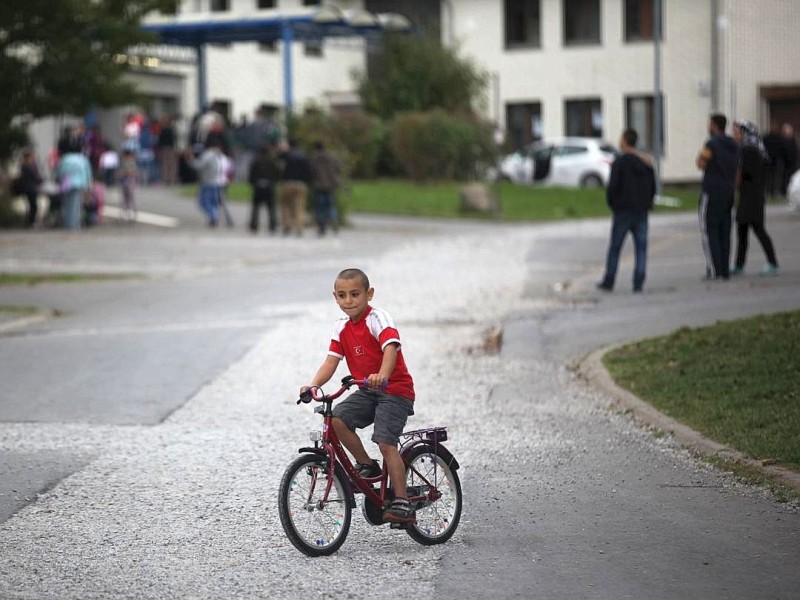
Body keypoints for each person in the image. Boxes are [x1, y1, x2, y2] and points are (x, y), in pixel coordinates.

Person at [301, 268, 417, 524]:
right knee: (338, 418)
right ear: (335, 297)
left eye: (355, 294)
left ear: (369, 294)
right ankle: (367, 465)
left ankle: (401, 501)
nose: (348, 301)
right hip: (368, 390)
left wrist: (383, 375)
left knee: (386, 442)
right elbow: (331, 361)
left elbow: (391, 349)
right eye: (342, 295)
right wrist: (313, 385)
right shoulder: (340, 327)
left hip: (395, 390)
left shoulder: (378, 318)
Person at [597, 129, 656, 293]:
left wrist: (613, 204)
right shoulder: (645, 163)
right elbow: (652, 186)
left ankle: (609, 280)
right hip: (641, 210)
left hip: (623, 211)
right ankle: (638, 281)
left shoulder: (620, 162)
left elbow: (613, 187)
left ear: (624, 140)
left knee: (615, 247)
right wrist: (648, 203)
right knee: (641, 247)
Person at [731, 120, 779, 277]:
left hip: (752, 198)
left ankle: (773, 263)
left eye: (737, 132)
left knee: (758, 230)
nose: (734, 135)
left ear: (745, 133)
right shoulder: (753, 149)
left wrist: (734, 180)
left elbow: (742, 174)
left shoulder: (749, 150)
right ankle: (739, 264)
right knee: (742, 231)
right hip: (750, 195)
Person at [696, 113, 739, 280]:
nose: (708, 127)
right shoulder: (733, 144)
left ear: (714, 125)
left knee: (709, 230)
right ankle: (725, 268)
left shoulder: (711, 143)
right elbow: (737, 170)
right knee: (725, 231)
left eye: (709, 124)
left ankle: (715, 269)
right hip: (728, 192)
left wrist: (700, 156)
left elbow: (702, 163)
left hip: (712, 191)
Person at [186, 134, 225, 227]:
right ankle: (213, 217)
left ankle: (213, 216)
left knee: (203, 202)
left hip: (208, 182)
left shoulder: (208, 155)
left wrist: (191, 160)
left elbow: (199, 165)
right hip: (216, 182)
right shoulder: (218, 156)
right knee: (213, 203)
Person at [55, 136, 92, 231]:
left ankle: (68, 224)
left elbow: (60, 172)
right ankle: (75, 224)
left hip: (67, 184)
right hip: (79, 183)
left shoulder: (65, 158)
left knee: (67, 204)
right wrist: (89, 186)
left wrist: (58, 181)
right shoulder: (83, 159)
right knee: (77, 205)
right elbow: (88, 173)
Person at [278, 140, 312, 236]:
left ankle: (287, 226)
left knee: (285, 205)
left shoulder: (287, 155)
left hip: (288, 183)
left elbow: (278, 160)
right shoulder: (304, 156)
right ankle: (299, 227)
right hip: (301, 184)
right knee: (299, 207)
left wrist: (283, 149)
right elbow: (308, 171)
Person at [309, 141, 342, 236]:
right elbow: (338, 168)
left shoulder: (315, 159)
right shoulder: (332, 158)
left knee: (320, 208)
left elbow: (312, 172)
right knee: (331, 206)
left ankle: (321, 227)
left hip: (319, 186)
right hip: (330, 186)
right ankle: (334, 222)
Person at [247, 143, 281, 234]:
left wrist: (253, 183)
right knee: (271, 208)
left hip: (258, 185)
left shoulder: (256, 161)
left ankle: (254, 225)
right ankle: (272, 225)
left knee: (256, 207)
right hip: (269, 185)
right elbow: (278, 173)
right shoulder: (273, 161)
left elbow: (251, 174)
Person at [19, 149, 43, 228]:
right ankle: (31, 222)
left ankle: (31, 221)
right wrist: (40, 179)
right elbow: (35, 176)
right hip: (30, 188)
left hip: (31, 188)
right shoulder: (27, 166)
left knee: (33, 205)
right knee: (33, 206)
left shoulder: (27, 166)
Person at [119, 149, 138, 223]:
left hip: (130, 183)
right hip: (125, 183)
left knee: (131, 199)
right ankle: (125, 214)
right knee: (125, 199)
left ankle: (132, 214)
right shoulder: (124, 163)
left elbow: (133, 172)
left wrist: (126, 173)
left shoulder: (132, 163)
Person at [780, 122, 798, 196]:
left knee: (791, 177)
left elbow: (795, 150)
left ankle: (791, 190)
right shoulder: (782, 141)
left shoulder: (793, 141)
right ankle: (784, 191)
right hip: (784, 162)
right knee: (785, 178)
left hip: (792, 162)